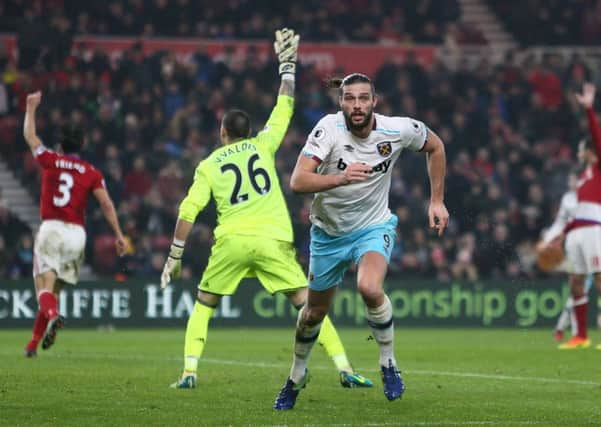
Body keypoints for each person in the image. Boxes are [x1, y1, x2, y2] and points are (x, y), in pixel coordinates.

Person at [161, 28, 373, 390]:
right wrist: (287, 67)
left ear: (223, 131)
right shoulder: (263, 145)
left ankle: (190, 372)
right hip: (274, 238)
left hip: (232, 240)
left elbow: (189, 209)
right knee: (308, 304)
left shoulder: (210, 164)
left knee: (204, 303)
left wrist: (175, 256)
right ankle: (343, 367)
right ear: (249, 130)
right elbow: (284, 107)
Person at [273, 73, 449, 410]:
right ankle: (296, 375)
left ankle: (388, 363)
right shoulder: (328, 129)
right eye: (350, 98)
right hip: (327, 233)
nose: (357, 105)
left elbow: (436, 146)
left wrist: (436, 200)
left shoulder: (397, 130)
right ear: (340, 102)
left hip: (373, 226)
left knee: (369, 288)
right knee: (313, 313)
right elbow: (297, 181)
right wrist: (340, 177)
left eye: (363, 98)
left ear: (374, 101)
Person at [23, 91, 126, 357]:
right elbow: (106, 204)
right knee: (53, 290)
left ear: (60, 144)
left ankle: (54, 316)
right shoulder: (92, 172)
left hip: (52, 229)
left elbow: (30, 137)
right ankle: (34, 344)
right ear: (82, 144)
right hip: (77, 236)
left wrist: (31, 108)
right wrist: (118, 234)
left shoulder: (51, 159)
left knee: (42, 289)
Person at [557, 83, 601, 350]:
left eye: (582, 149)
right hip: (577, 232)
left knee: (599, 277)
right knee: (576, 281)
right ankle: (581, 335)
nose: (579, 153)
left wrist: (588, 110)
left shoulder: (598, 169)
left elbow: (596, 136)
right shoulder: (583, 177)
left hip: (595, 228)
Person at [535, 172, 593, 343]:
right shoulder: (568, 199)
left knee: (581, 289)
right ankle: (575, 333)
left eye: (573, 179)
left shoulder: (592, 194)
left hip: (594, 244)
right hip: (576, 248)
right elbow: (559, 223)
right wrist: (546, 241)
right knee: (578, 288)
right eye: (570, 179)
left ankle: (564, 329)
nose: (571, 182)